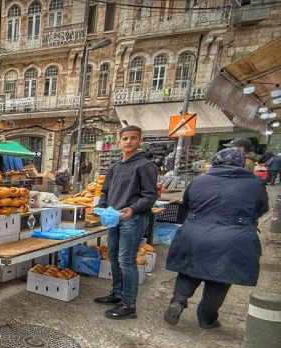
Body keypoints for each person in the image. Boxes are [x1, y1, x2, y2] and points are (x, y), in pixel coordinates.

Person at [163, 149, 269, 329]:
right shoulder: (255, 184)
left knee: (188, 270)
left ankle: (178, 301)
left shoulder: (198, 181)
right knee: (220, 278)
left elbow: (187, 205)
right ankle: (207, 317)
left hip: (195, 233)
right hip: (233, 237)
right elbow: (262, 208)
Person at [94, 125, 158, 320]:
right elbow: (105, 192)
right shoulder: (115, 166)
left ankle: (129, 304)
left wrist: (133, 209)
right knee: (113, 256)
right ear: (119, 141)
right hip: (114, 218)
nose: (128, 142)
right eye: (125, 138)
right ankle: (117, 293)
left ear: (139, 141)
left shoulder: (145, 165)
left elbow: (149, 196)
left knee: (126, 260)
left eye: (133, 138)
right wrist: (102, 207)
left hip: (132, 218)